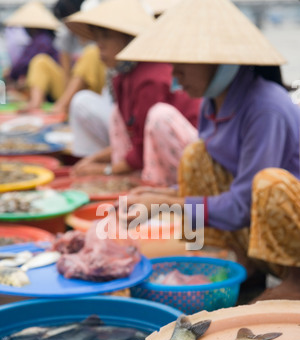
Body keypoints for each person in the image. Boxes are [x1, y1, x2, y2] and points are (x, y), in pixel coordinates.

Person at [115, 0, 300, 302]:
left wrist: (165, 208)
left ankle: (296, 281)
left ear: (219, 61)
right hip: (255, 223)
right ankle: (234, 259)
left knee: (270, 183)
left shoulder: (266, 107)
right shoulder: (214, 103)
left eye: (183, 64)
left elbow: (246, 200)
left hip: (289, 228)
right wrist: (158, 198)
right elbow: (229, 185)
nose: (175, 76)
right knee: (195, 157)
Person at [66, 0, 202, 186]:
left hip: (195, 156)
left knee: (159, 116)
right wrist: (94, 159)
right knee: (115, 115)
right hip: (153, 151)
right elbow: (133, 136)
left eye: (105, 37)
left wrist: (105, 170)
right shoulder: (124, 76)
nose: (99, 45)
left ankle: (160, 185)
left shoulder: (151, 77)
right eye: (97, 38)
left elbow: (142, 147)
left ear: (129, 39)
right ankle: (131, 178)